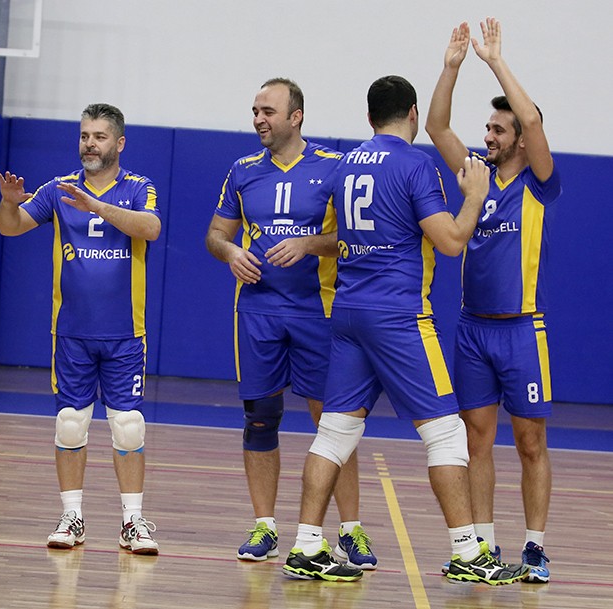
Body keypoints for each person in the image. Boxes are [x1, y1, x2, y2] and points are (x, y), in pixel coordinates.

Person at [282, 74, 529, 585]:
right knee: (446, 433)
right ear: (413, 113)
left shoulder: (347, 163)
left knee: (334, 433)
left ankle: (305, 545)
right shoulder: (416, 165)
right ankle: (468, 552)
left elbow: (346, 235)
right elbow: (452, 242)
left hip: (348, 312)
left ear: (370, 116)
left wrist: (309, 245)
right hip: (398, 316)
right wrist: (475, 196)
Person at [205, 78, 376, 568]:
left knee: (335, 422)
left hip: (317, 312)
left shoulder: (334, 167)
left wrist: (308, 244)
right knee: (260, 417)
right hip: (258, 311)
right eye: (255, 111)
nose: (259, 119)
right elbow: (215, 234)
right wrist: (230, 252)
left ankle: (351, 531)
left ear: (296, 116)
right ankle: (265, 526)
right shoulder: (242, 171)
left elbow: (354, 237)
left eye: (268, 111)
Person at [425, 18, 561, 583]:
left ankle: (534, 548)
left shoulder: (538, 181)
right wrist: (451, 67)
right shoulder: (474, 176)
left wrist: (495, 60)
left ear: (522, 140)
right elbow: (436, 125)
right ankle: (481, 546)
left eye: (499, 129)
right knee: (475, 441)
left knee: (530, 443)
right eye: (487, 127)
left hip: (521, 332)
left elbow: (533, 119)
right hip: (473, 331)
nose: (488, 136)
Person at [0, 103, 162, 555]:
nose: (90, 144)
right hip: (71, 333)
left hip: (125, 333)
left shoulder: (138, 187)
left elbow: (150, 228)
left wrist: (98, 206)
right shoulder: (58, 189)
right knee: (70, 425)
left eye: (100, 136)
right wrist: (8, 203)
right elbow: (11, 228)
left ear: (119, 143)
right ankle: (72, 516)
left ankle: (132, 521)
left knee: (128, 427)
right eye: (85, 135)